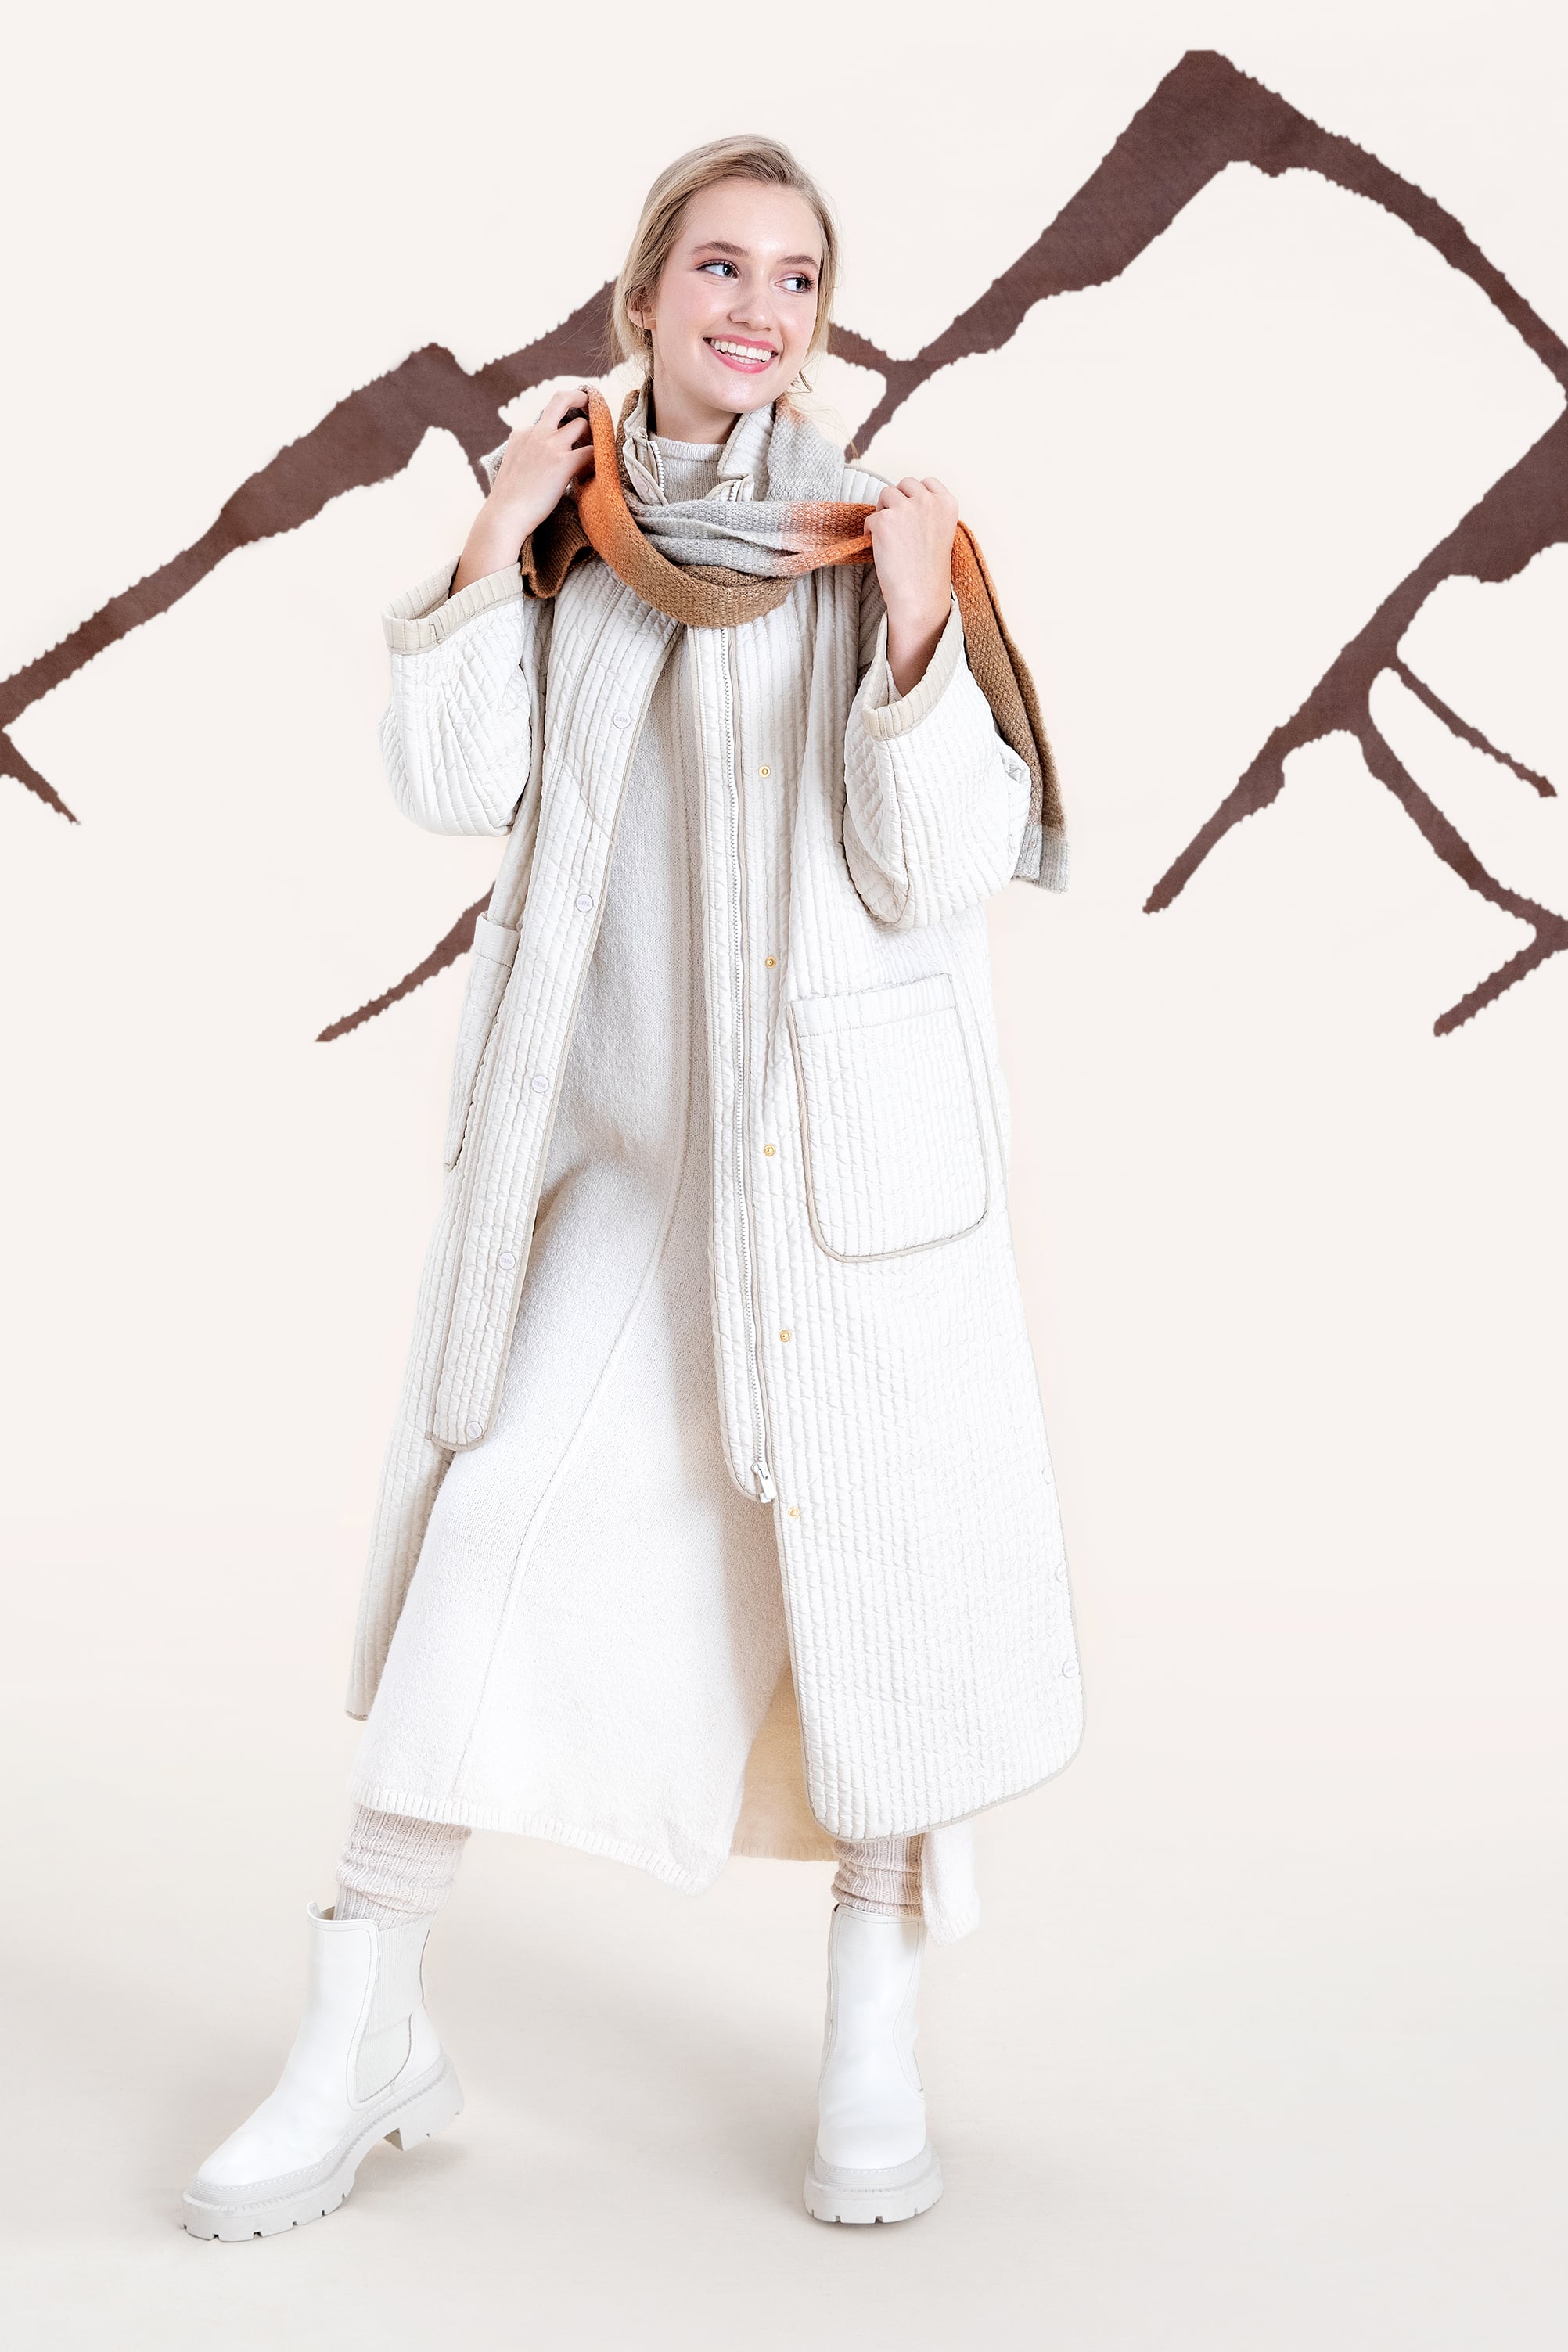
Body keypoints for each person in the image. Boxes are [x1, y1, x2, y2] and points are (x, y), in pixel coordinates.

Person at [182, 132, 1081, 2241]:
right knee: (476, 1560)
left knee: (871, 1606)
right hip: (615, 1177)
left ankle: (872, 2038)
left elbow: (940, 867)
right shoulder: (580, 532)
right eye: (720, 267)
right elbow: (453, 786)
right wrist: (491, 535)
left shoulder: (864, 537)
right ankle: (360, 2038)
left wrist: (919, 632)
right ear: (647, 295)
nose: (758, 307)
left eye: (796, 275)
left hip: (835, 1184)